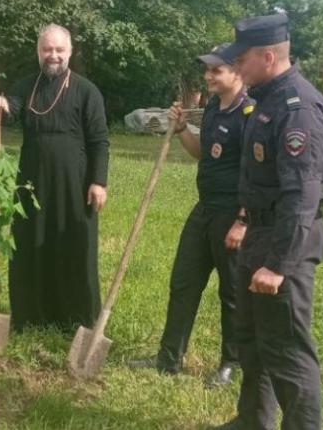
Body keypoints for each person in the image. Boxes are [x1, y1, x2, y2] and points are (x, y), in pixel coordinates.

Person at [212, 14, 323, 430]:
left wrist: (279, 264)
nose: (237, 67)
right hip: (258, 235)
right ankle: (253, 421)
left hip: (286, 244)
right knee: (254, 344)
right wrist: (246, 223)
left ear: (267, 56)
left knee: (287, 351)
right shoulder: (266, 99)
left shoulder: (298, 109)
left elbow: (301, 195)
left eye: (241, 59)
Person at [128, 43, 255, 388]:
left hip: (233, 213)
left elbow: (256, 174)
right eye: (208, 69)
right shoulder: (214, 108)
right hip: (205, 208)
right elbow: (204, 155)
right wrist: (183, 128)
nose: (208, 75)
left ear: (237, 72)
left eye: (216, 70)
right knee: (183, 282)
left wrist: (243, 221)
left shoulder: (251, 114)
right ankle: (169, 358)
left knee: (231, 291)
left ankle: (231, 362)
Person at [0, 24, 110, 332]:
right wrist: (0, 102)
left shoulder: (86, 90)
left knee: (74, 244)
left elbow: (99, 140)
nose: (53, 55)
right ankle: (32, 314)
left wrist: (99, 181)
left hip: (75, 184)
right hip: (31, 183)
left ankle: (77, 318)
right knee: (31, 243)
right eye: (46, 50)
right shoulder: (27, 85)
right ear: (38, 52)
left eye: (59, 50)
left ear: (70, 52)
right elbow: (11, 105)